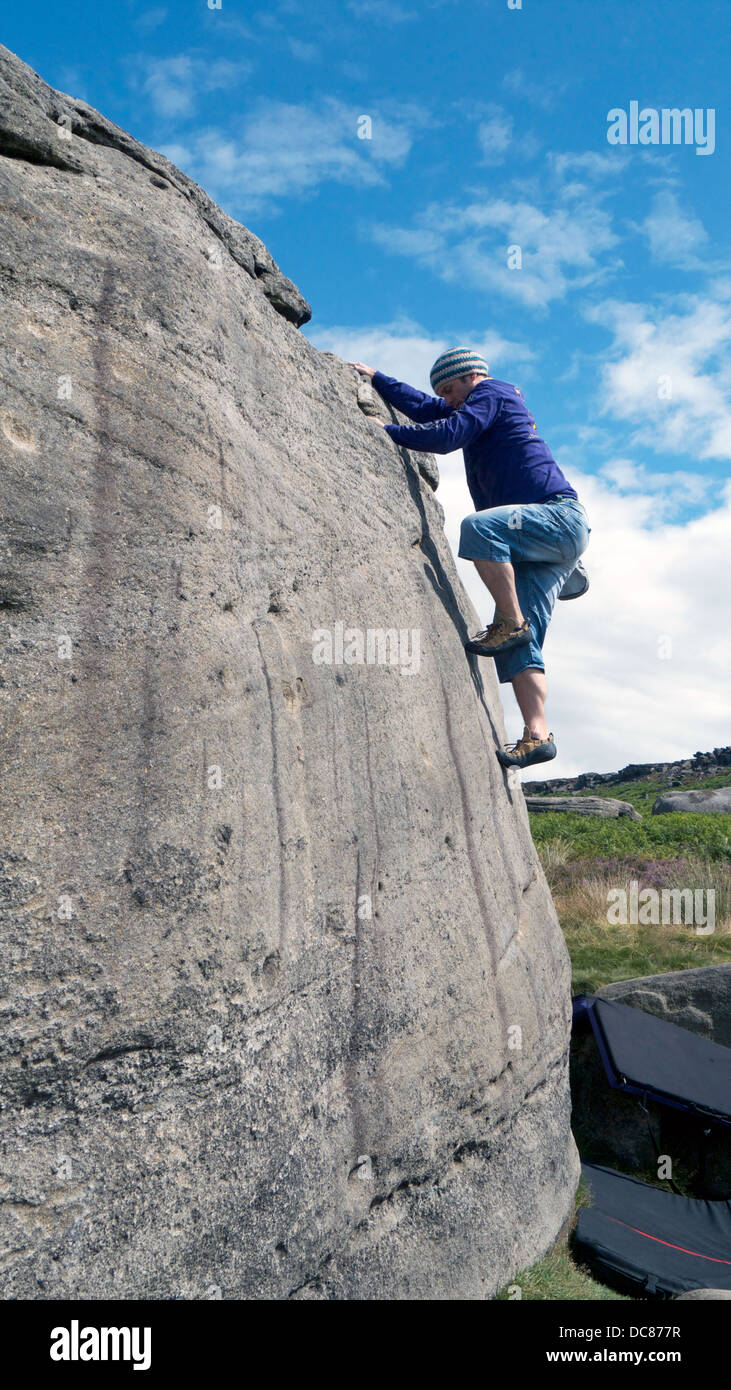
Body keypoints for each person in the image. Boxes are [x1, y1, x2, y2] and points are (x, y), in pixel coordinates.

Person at [349, 347, 591, 770]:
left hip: (558, 516)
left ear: (470, 377)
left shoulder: (493, 391)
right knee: (519, 648)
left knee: (479, 528)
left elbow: (446, 435)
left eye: (450, 389)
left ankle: (511, 621)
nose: (448, 399)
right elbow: (431, 411)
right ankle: (538, 736)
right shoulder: (478, 403)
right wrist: (380, 379)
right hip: (542, 547)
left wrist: (386, 431)